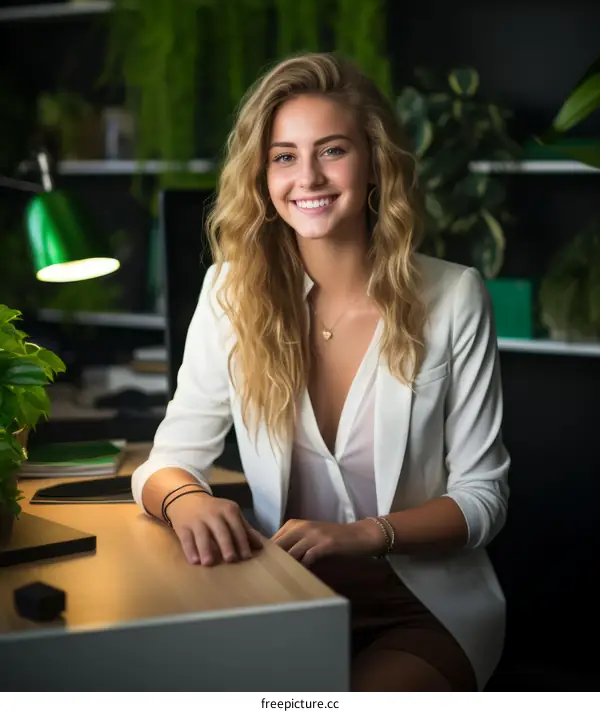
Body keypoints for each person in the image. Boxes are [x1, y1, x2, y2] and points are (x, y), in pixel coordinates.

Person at [132, 52, 510, 691]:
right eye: (283, 155)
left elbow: (483, 499)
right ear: (262, 175)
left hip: (422, 607)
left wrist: (365, 535)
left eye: (331, 150)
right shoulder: (230, 293)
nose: (306, 176)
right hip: (284, 594)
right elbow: (167, 458)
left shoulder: (454, 295)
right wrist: (186, 498)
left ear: (373, 165)